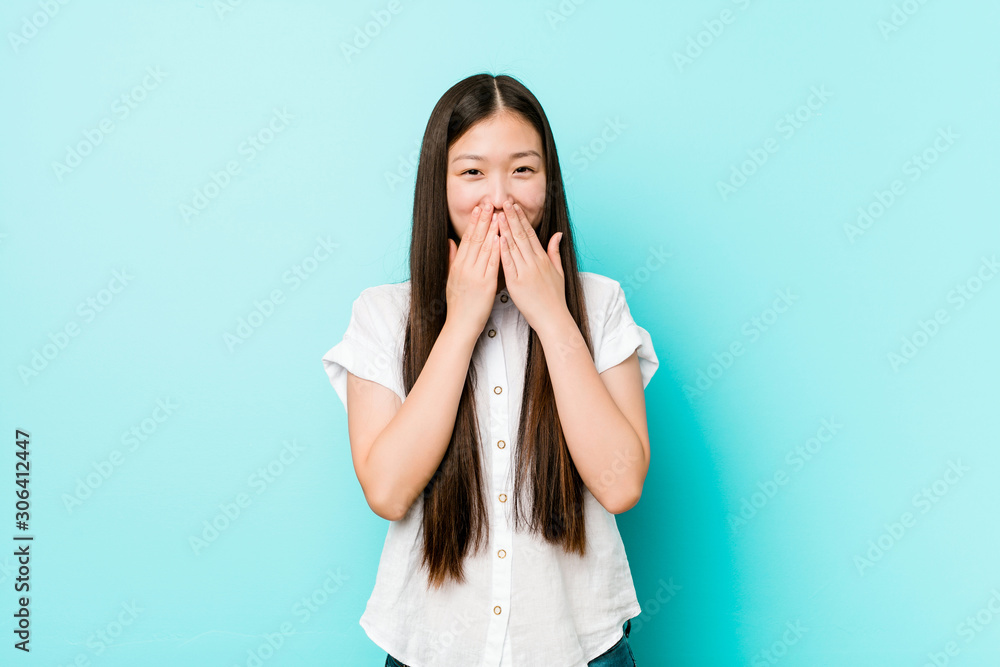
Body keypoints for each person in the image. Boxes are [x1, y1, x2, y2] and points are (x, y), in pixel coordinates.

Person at [321, 73, 657, 667]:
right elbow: (389, 490)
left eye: (522, 170)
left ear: (548, 181)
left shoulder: (600, 303)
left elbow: (620, 483)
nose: (499, 197)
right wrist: (461, 321)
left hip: (580, 648)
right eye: (472, 172)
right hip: (428, 648)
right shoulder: (381, 314)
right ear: (439, 183)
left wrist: (553, 316)